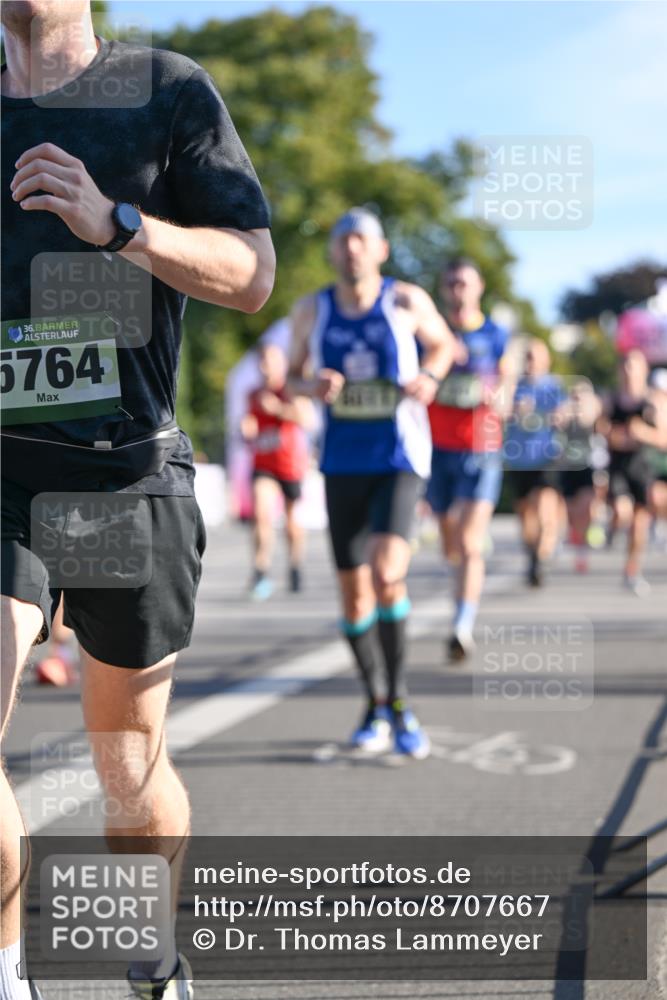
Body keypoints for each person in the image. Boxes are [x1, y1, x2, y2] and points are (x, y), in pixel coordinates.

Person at [0, 4, 274, 999]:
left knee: (128, 770)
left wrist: (116, 225)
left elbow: (251, 274)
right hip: (2, 472)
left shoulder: (164, 88)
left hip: (125, 470)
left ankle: (154, 956)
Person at [288, 207, 454, 759]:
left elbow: (444, 345)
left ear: (381, 250)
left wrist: (428, 376)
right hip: (341, 461)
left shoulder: (404, 300)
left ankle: (400, 702)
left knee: (387, 574)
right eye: (343, 240)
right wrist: (312, 384)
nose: (352, 248)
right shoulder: (312, 309)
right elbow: (289, 378)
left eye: (362, 239)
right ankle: (374, 701)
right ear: (333, 252)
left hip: (399, 457)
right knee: (355, 592)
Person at [425, 258, 511, 662]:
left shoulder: (495, 335)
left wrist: (496, 395)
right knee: (450, 542)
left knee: (469, 542)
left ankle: (462, 625)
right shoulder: (432, 333)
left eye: (464, 283)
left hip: (481, 448)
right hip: (436, 449)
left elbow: (508, 390)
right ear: (444, 290)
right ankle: (460, 589)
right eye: (451, 283)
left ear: (479, 288)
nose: (458, 291)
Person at [241, 342, 313, 599]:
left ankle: (295, 564)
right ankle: (260, 570)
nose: (265, 367)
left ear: (280, 364)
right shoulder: (253, 394)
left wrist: (278, 409)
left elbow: (308, 420)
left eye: (270, 361)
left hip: (290, 464)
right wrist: (247, 429)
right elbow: (249, 420)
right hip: (263, 464)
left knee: (292, 521)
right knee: (262, 514)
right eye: (261, 361)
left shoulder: (291, 390)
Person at [504, 339, 568, 587]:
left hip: (545, 456)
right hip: (519, 459)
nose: (531, 361)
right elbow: (499, 411)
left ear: (546, 360)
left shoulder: (553, 386)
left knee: (544, 507)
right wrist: (514, 409)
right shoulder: (514, 386)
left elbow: (564, 413)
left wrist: (553, 415)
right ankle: (533, 554)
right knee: (525, 514)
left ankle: (542, 556)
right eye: (528, 356)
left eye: (535, 356)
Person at [598, 351, 654, 595]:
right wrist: (613, 436)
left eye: (635, 366)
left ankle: (632, 571)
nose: (630, 371)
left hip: (643, 467)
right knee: (623, 512)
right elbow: (600, 428)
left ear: (644, 370)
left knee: (639, 527)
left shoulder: (652, 402)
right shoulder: (611, 400)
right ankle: (612, 528)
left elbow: (663, 437)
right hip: (618, 467)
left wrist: (643, 433)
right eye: (626, 366)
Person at [558, 379, 603, 573]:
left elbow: (591, 419)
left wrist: (581, 409)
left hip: (588, 466)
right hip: (568, 467)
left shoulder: (593, 410)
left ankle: (583, 548)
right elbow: (557, 423)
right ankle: (575, 536)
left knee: (585, 507)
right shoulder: (565, 411)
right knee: (571, 512)